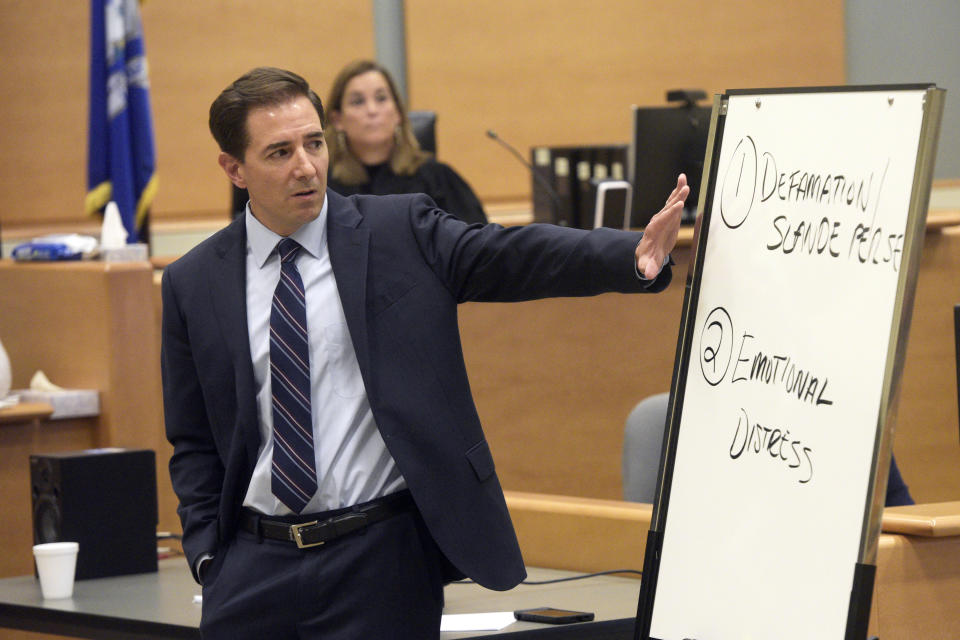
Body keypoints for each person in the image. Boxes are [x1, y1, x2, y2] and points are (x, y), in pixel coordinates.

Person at [161, 66, 687, 639]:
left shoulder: (396, 230)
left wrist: (630, 255)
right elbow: (193, 439)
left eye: (314, 143)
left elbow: (509, 254)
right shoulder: (193, 283)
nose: (306, 166)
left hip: (379, 560)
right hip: (252, 570)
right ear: (234, 169)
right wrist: (209, 557)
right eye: (279, 152)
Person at [325, 59, 488, 225]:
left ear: (398, 113)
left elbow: (477, 244)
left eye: (381, 98)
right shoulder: (325, 187)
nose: (372, 110)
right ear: (337, 119)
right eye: (358, 101)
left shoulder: (438, 180)